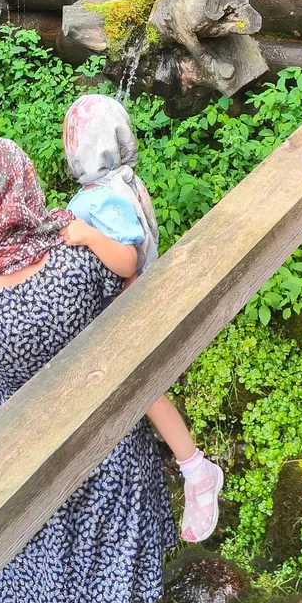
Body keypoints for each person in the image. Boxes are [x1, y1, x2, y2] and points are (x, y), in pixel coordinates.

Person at [0, 131, 176, 603]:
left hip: (24, 455)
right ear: (20, 184)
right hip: (107, 446)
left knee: (40, 580)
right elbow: (131, 282)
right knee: (107, 579)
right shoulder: (78, 260)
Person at [62, 93, 224, 543]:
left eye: (73, 141)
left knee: (148, 393)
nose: (68, 148)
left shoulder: (100, 202)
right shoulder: (124, 181)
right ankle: (187, 467)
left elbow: (128, 261)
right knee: (146, 393)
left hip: (129, 317)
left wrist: (87, 235)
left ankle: (196, 470)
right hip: (141, 306)